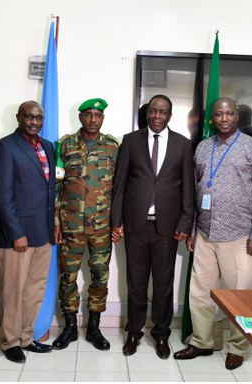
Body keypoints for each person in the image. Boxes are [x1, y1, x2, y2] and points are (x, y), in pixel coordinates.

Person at [173, 97, 252, 370]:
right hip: (205, 234)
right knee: (200, 293)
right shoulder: (203, 148)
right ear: (212, 118)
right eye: (219, 115)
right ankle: (202, 341)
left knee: (241, 297)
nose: (224, 119)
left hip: (239, 236)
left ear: (237, 117)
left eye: (229, 114)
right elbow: (195, 192)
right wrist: (193, 230)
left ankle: (238, 348)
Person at [111, 94, 194, 359]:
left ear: (170, 116)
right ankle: (134, 332)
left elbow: (188, 188)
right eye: (153, 111)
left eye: (163, 112)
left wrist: (185, 222)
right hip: (135, 224)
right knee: (135, 283)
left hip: (167, 227)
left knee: (163, 284)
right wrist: (116, 221)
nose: (157, 116)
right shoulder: (130, 141)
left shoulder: (183, 145)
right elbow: (120, 184)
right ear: (147, 114)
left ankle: (160, 334)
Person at [0, 101, 56, 364]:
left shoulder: (48, 146)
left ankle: (27, 337)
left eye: (38, 118)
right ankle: (10, 341)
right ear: (18, 118)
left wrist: (53, 226)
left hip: (43, 232)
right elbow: (3, 195)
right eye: (28, 117)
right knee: (13, 291)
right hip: (16, 236)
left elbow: (50, 191)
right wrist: (16, 232)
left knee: (34, 290)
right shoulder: (5, 147)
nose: (34, 122)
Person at [51, 98, 119, 351]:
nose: (93, 119)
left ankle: (94, 327)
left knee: (100, 276)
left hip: (102, 226)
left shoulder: (113, 146)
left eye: (97, 115)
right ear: (80, 117)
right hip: (71, 226)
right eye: (88, 115)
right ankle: (69, 327)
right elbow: (56, 186)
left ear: (103, 119)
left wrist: (118, 222)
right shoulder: (64, 145)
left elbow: (120, 188)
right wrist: (56, 221)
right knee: (68, 275)